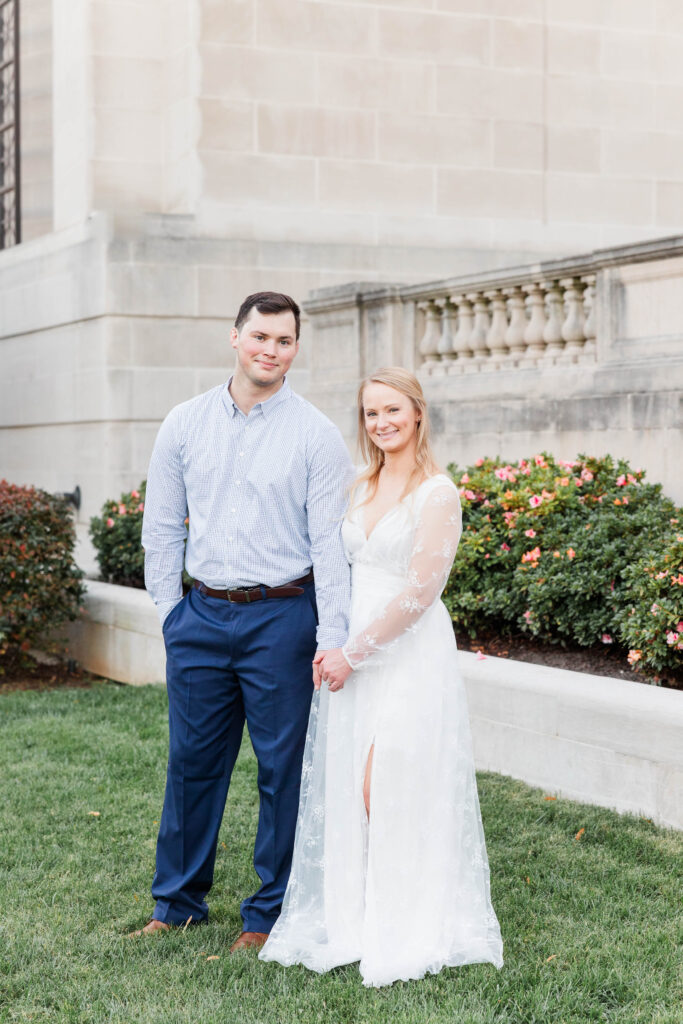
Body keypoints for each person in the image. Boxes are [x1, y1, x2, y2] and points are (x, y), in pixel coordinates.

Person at [260, 367, 503, 987]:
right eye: (371, 413)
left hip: (407, 654)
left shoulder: (437, 492)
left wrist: (354, 652)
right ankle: (357, 917)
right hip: (351, 650)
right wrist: (331, 641)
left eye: (393, 410)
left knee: (387, 783)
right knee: (349, 787)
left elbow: (421, 594)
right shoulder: (359, 484)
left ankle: (410, 921)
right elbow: (334, 570)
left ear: (418, 413)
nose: (382, 422)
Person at [133, 291, 353, 950]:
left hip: (282, 618)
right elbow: (161, 524)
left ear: (294, 348)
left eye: (284, 341)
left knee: (282, 770)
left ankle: (268, 912)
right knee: (191, 764)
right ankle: (176, 903)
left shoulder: (315, 433)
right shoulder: (184, 421)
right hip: (200, 616)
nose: (271, 350)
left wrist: (330, 634)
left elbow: (330, 547)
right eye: (260, 336)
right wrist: (172, 612)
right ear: (235, 337)